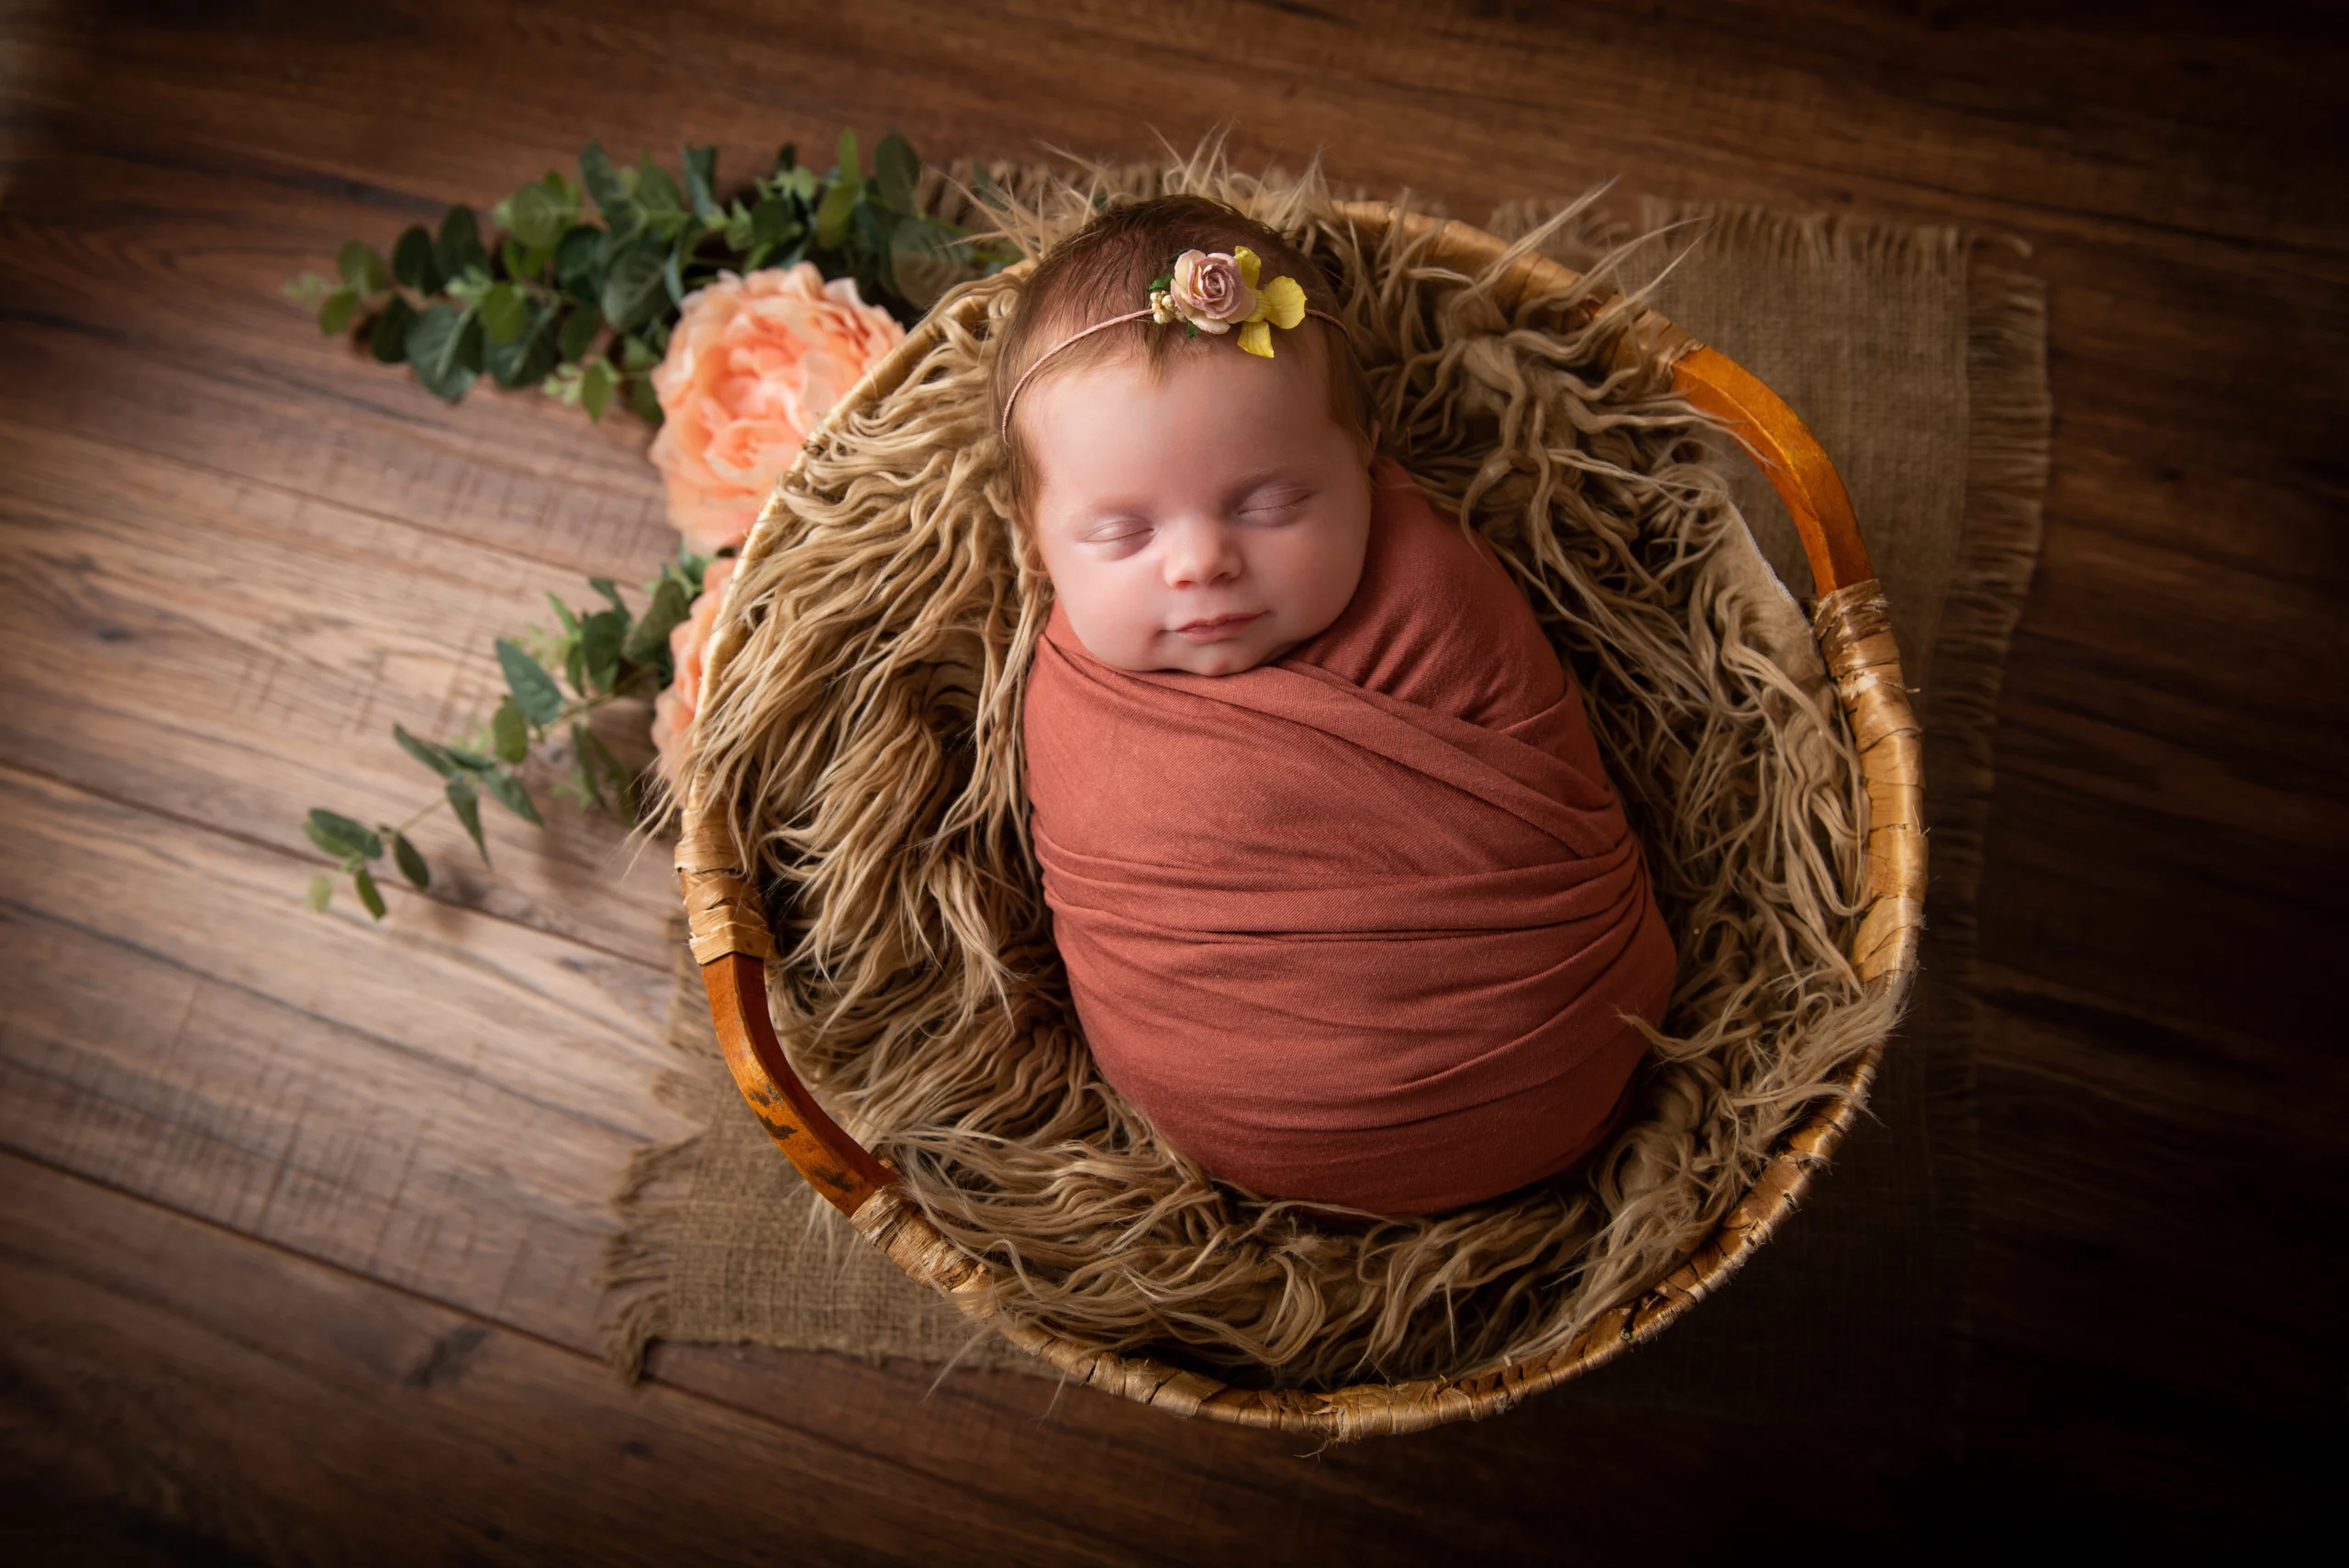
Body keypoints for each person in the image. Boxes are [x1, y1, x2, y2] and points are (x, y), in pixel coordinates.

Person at [1000, 195, 1676, 1215]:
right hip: (1234, 1112)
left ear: (1366, 450)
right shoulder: (1069, 692)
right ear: (1032, 531)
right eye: (1120, 534)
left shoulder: (1432, 583)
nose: (1199, 562)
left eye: (1268, 503)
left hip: (1556, 1049)